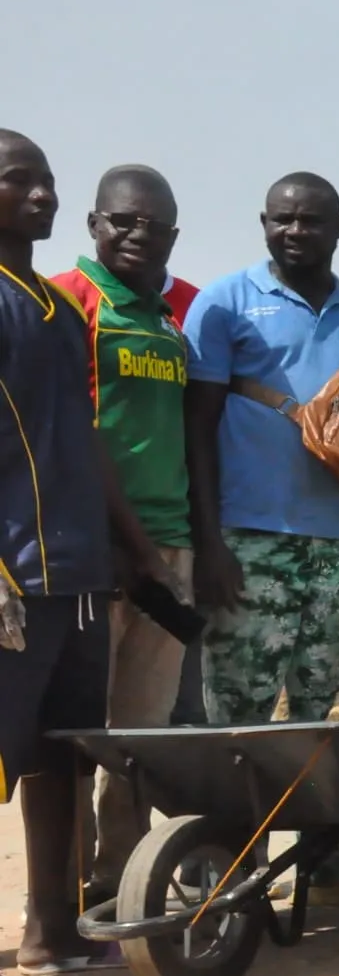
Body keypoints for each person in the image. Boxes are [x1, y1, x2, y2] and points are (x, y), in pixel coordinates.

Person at [0, 131, 173, 976]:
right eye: (18, 181)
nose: (41, 195)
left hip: (79, 572)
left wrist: (134, 549)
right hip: (14, 576)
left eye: (47, 181)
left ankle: (53, 931)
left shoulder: (61, 312)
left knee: (61, 756)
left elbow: (88, 438)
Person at [184, 172, 339, 725]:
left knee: (329, 719)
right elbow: (196, 429)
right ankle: (244, 794)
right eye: (282, 218)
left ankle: (318, 791)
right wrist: (209, 543)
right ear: (263, 224)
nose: (294, 229)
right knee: (238, 720)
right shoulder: (226, 302)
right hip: (249, 544)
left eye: (310, 220)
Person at [48, 165, 199, 897]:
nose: (139, 235)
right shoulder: (64, 302)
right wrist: (118, 543)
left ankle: (121, 886)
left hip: (172, 548)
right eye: (123, 221)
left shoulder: (177, 313)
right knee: (80, 733)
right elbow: (66, 433)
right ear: (94, 224)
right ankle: (64, 891)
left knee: (142, 738)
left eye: (154, 226)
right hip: (96, 553)